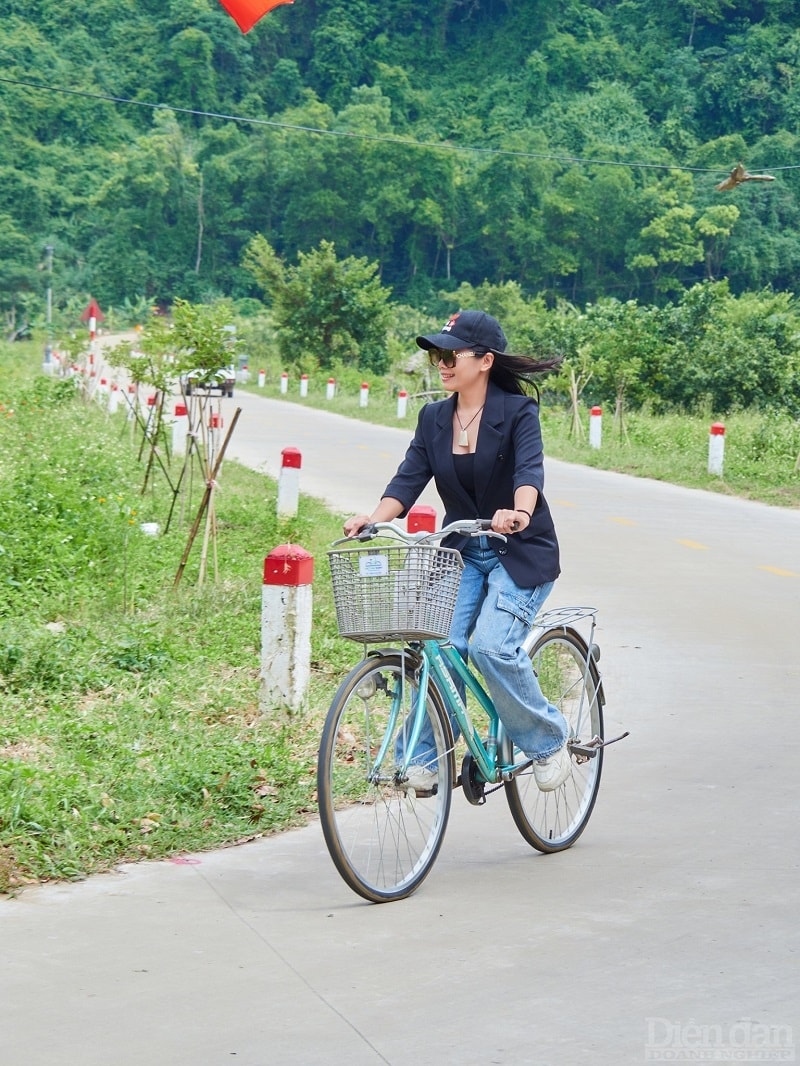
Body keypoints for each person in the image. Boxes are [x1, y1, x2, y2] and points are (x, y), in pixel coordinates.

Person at [343, 309, 571, 793]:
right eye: (436, 355)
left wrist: (520, 512)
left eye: (451, 354)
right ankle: (427, 756)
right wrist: (374, 519)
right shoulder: (434, 418)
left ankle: (549, 741)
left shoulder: (517, 414)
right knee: (442, 648)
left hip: (519, 550)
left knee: (491, 647)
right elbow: (408, 479)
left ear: (485, 361)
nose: (441, 364)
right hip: (464, 550)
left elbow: (530, 473)